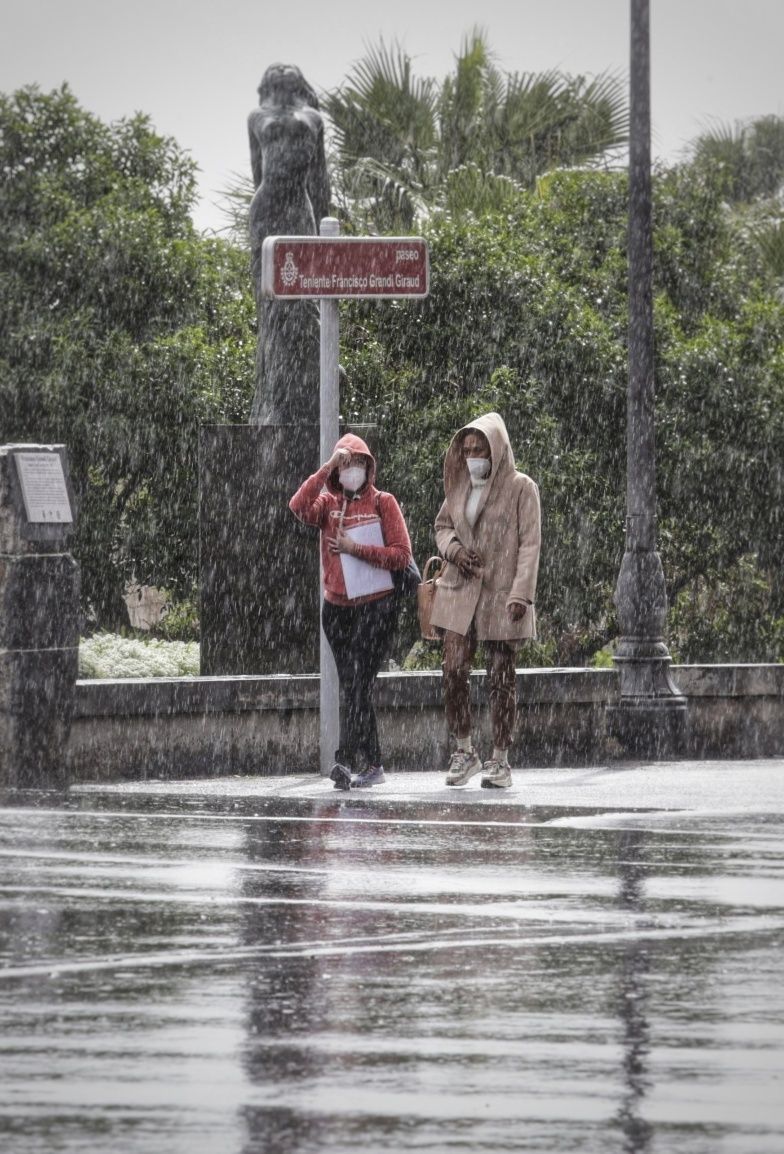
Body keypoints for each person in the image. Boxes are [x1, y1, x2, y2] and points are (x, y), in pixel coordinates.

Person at [289, 433, 413, 790]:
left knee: (360, 685)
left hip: (375, 607)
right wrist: (327, 466)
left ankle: (346, 758)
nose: (351, 470)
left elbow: (401, 555)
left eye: (357, 463)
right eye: (344, 465)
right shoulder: (328, 503)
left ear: (368, 467)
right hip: (337, 609)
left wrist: (353, 548)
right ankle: (372, 762)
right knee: (353, 688)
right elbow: (298, 506)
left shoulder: (383, 502)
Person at [429, 412, 541, 789]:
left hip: (501, 594)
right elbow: (442, 527)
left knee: (501, 677)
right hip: (460, 592)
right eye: (467, 449)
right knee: (453, 669)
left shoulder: (521, 488)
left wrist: (520, 593)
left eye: (480, 449)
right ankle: (464, 749)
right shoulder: (459, 487)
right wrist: (456, 551)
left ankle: (501, 759)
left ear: (497, 450)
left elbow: (530, 544)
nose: (473, 456)